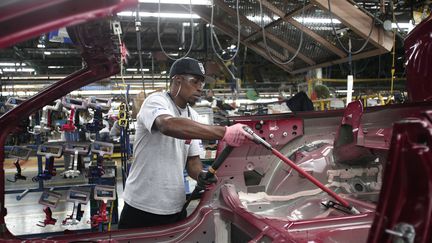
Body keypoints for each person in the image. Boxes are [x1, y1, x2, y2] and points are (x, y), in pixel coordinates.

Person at [118, 57, 251, 229]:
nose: (200, 88)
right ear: (177, 80)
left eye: (202, 83)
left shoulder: (193, 116)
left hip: (176, 206)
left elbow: (192, 161)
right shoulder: (156, 101)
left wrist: (199, 174)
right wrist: (224, 132)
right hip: (142, 205)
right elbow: (167, 125)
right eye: (195, 81)